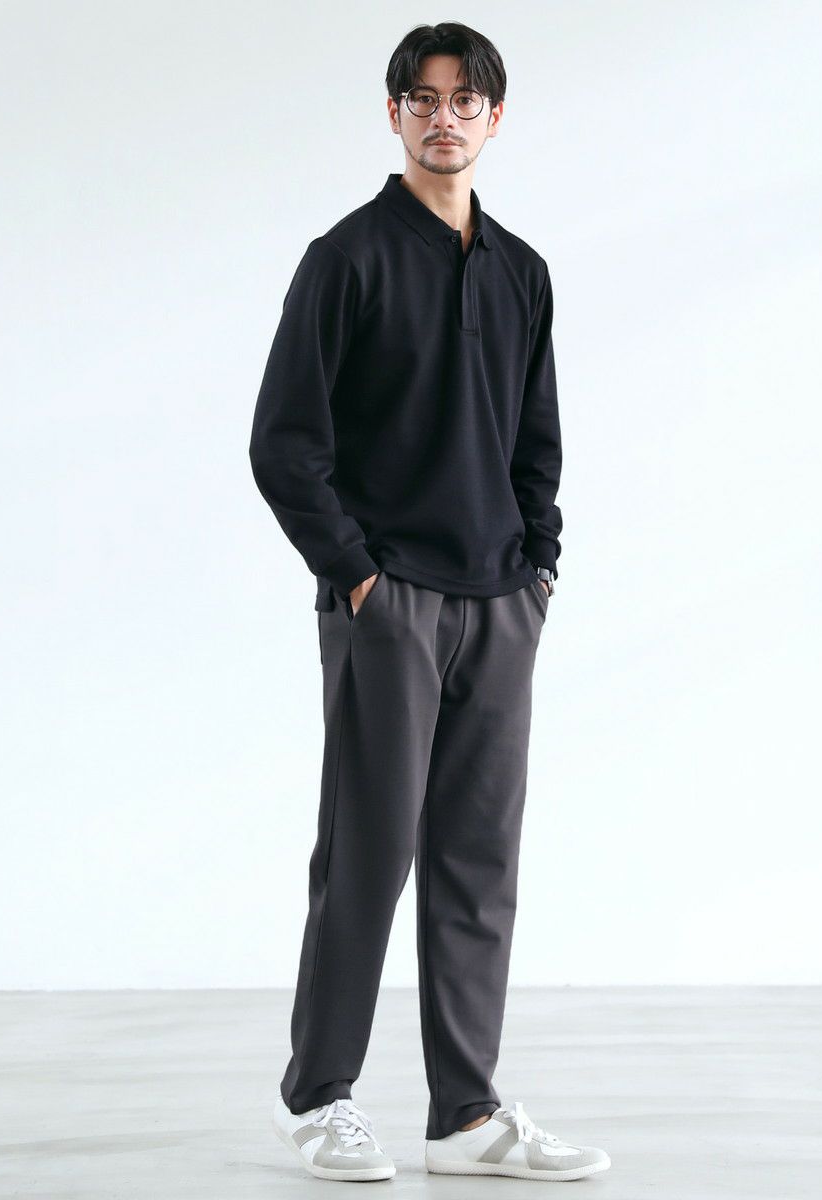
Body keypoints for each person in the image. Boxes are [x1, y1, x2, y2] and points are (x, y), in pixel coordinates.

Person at [250, 20, 610, 1184]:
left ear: (495, 118)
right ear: (394, 114)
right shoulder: (345, 259)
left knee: (477, 860)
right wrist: (356, 575)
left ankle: (465, 1114)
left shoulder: (521, 272)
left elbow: (537, 444)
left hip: (500, 602)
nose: (443, 117)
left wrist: (537, 567)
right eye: (422, 98)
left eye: (464, 100)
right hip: (388, 604)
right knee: (367, 854)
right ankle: (315, 1098)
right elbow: (283, 443)